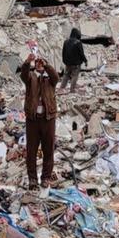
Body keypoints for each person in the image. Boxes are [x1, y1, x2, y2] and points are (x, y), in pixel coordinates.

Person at [20, 54, 58, 190]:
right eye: (37, 63)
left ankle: (46, 178)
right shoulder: (31, 77)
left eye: (41, 63)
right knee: (31, 151)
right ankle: (33, 179)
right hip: (33, 119)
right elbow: (23, 75)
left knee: (48, 150)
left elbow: (56, 77)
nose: (39, 65)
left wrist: (46, 65)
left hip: (48, 118)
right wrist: (27, 62)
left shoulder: (50, 79)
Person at [59, 28, 86, 94]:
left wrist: (64, 61)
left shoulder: (66, 42)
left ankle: (61, 88)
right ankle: (72, 90)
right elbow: (81, 53)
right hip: (76, 64)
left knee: (66, 75)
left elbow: (63, 52)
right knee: (75, 76)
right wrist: (85, 60)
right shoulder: (78, 42)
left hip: (67, 63)